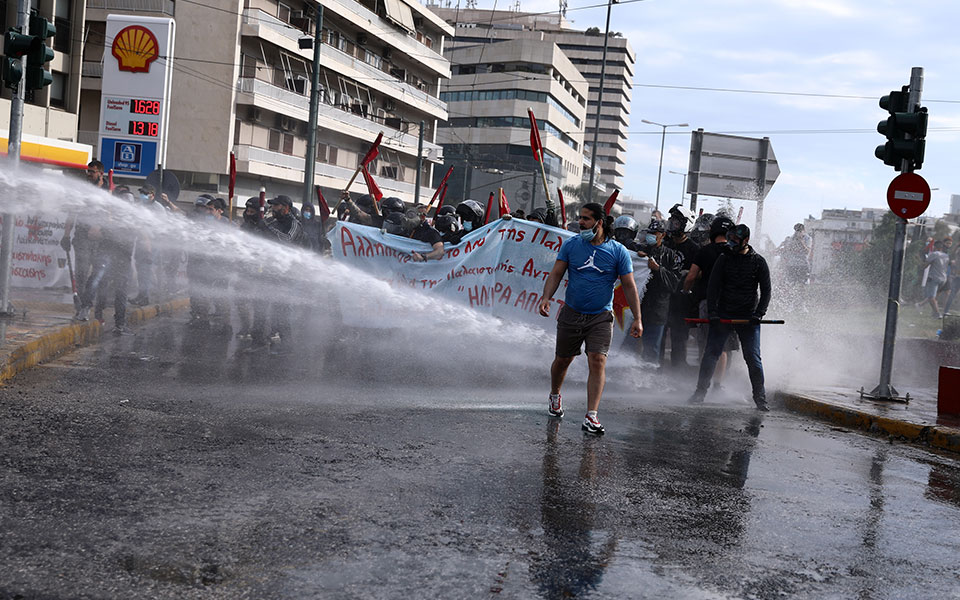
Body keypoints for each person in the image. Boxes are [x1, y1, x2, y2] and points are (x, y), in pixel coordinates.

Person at [538, 202, 642, 435]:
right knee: (563, 360)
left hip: (601, 317)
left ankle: (591, 415)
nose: (581, 223)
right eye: (580, 218)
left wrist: (637, 318)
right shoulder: (572, 245)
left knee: (597, 360)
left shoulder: (618, 251)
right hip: (572, 313)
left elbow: (629, 285)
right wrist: (546, 297)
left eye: (585, 219)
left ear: (599, 222)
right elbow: (556, 273)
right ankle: (555, 395)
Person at [689, 224, 771, 410]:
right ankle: (699, 393)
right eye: (730, 238)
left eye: (735, 240)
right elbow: (713, 287)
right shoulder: (724, 259)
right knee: (711, 354)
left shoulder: (758, 262)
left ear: (746, 241)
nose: (731, 243)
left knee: (753, 357)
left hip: (749, 316)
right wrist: (713, 313)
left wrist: (759, 314)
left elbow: (766, 291)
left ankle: (760, 399)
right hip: (724, 314)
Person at [75, 189, 138, 335]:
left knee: (120, 291)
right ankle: (86, 309)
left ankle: (119, 324)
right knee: (97, 280)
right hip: (107, 256)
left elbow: (128, 240)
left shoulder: (132, 221)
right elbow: (92, 234)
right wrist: (106, 229)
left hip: (122, 261)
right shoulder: (109, 217)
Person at [683, 215, 736, 382]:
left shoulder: (705, 251)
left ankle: (704, 380)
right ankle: (718, 383)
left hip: (707, 303)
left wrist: (686, 292)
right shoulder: (736, 252)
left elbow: (690, 277)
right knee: (724, 347)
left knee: (706, 344)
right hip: (730, 304)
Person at [636, 219, 683, 364]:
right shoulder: (640, 251)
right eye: (649, 233)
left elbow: (674, 283)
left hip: (658, 309)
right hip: (637, 308)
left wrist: (658, 269)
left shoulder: (671, 255)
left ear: (662, 235)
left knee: (652, 349)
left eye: (655, 233)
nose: (651, 236)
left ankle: (648, 380)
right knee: (631, 346)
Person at [63, 160, 105, 317]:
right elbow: (72, 212)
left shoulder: (107, 190)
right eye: (88, 171)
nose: (89, 174)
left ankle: (91, 302)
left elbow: (109, 212)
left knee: (98, 273)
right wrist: (66, 234)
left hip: (100, 240)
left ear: (100, 173)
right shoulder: (82, 189)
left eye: (93, 172)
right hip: (82, 238)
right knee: (81, 272)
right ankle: (82, 304)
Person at [664, 204, 701, 368]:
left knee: (679, 338)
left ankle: (677, 370)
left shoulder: (694, 249)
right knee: (659, 335)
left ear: (685, 224)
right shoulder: (665, 243)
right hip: (663, 298)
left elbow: (701, 272)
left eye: (676, 222)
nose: (672, 225)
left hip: (681, 300)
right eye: (671, 221)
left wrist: (688, 274)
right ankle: (655, 368)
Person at [919, 240, 949, 318]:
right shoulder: (946, 255)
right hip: (943, 278)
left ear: (934, 247)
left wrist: (920, 262)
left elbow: (925, 265)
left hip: (934, 278)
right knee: (934, 297)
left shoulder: (934, 254)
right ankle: (930, 311)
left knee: (931, 297)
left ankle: (937, 313)